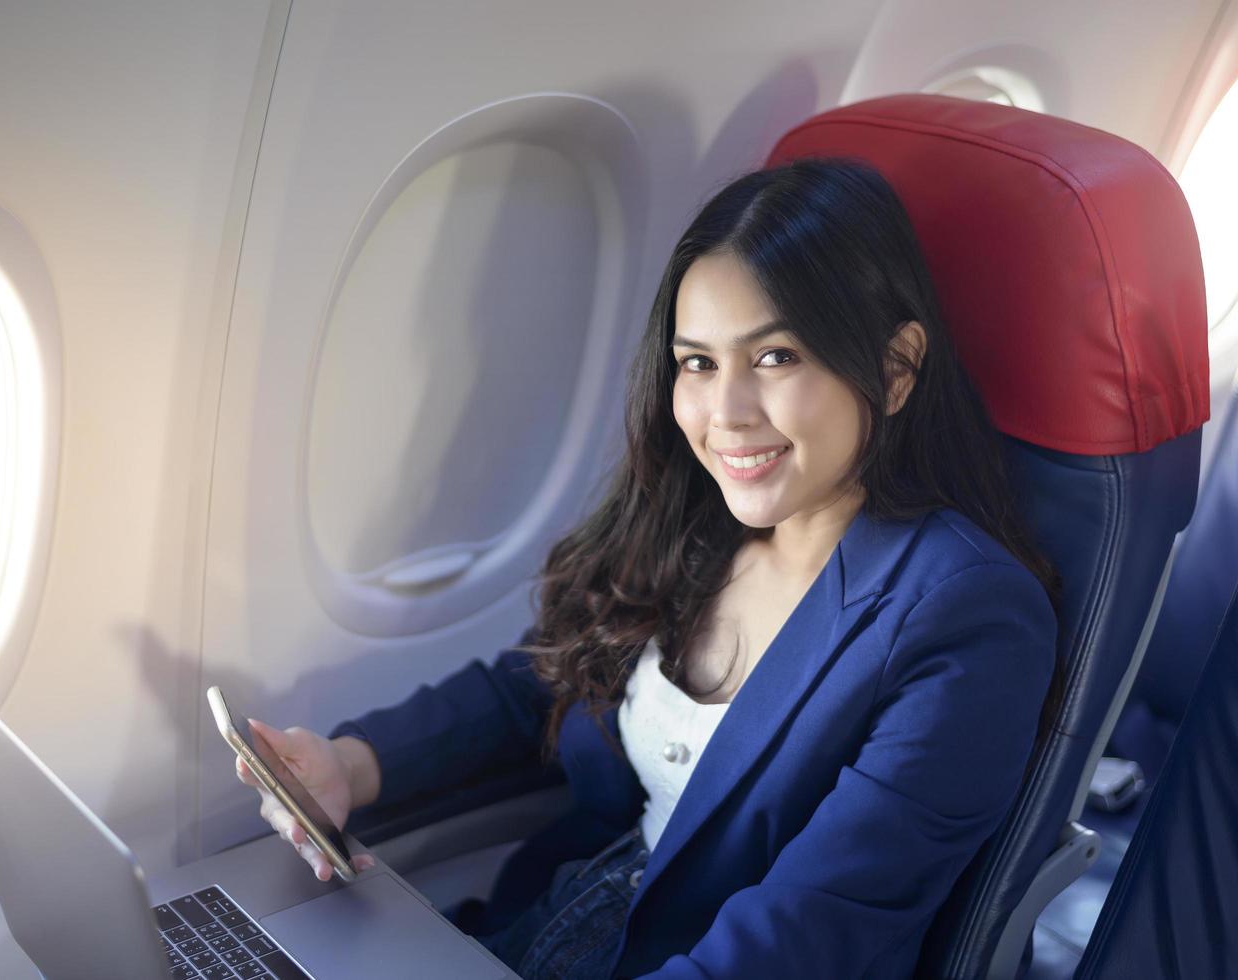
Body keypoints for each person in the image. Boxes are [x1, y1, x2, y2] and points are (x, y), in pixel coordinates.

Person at [236, 157, 1059, 979]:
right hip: (555, 927)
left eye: (774, 357)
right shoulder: (701, 520)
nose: (724, 416)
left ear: (894, 368)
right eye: (697, 363)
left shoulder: (968, 615)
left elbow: (816, 926)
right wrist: (344, 767)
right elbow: (548, 679)